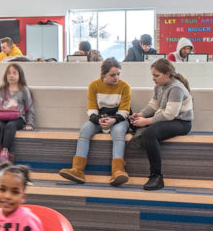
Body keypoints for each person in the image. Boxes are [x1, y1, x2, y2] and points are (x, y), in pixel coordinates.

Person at [58, 58, 132, 186]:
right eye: (112, 75)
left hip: (119, 118)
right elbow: (91, 109)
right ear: (104, 74)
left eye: (118, 74)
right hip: (100, 118)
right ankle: (77, 170)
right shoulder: (94, 86)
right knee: (84, 130)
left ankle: (118, 171)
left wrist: (113, 120)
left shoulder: (125, 86)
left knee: (118, 132)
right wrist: (100, 120)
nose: (116, 78)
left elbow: (124, 110)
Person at [128, 59, 193, 190]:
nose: (153, 78)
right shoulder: (159, 86)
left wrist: (146, 121)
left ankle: (156, 177)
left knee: (150, 134)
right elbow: (153, 105)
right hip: (167, 118)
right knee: (134, 123)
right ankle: (141, 134)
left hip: (181, 122)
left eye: (156, 75)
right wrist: (140, 115)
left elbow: (170, 115)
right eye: (152, 75)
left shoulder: (176, 88)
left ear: (168, 74)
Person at [0, 63, 35, 164]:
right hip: (4, 117)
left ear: (19, 75)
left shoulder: (24, 90)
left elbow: (30, 108)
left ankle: (5, 150)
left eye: (14, 73)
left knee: (10, 125)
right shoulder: (2, 89)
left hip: (18, 119)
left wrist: (30, 124)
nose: (11, 76)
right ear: (6, 76)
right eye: (9, 73)